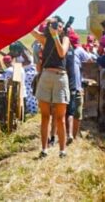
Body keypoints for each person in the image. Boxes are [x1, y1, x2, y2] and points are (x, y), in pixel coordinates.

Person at [31, 16, 71, 159]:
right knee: (45, 116)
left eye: (58, 25)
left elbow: (61, 53)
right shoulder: (44, 39)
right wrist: (42, 18)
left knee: (60, 117)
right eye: (53, 25)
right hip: (46, 76)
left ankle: (62, 150)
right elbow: (31, 29)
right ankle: (44, 149)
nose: (55, 27)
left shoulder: (65, 39)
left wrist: (55, 37)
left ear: (62, 27)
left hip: (61, 77)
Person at [65, 27, 84, 144]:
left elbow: (91, 60)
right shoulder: (64, 51)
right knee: (67, 113)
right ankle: (66, 135)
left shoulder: (79, 51)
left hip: (76, 87)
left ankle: (73, 137)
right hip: (64, 87)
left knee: (76, 113)